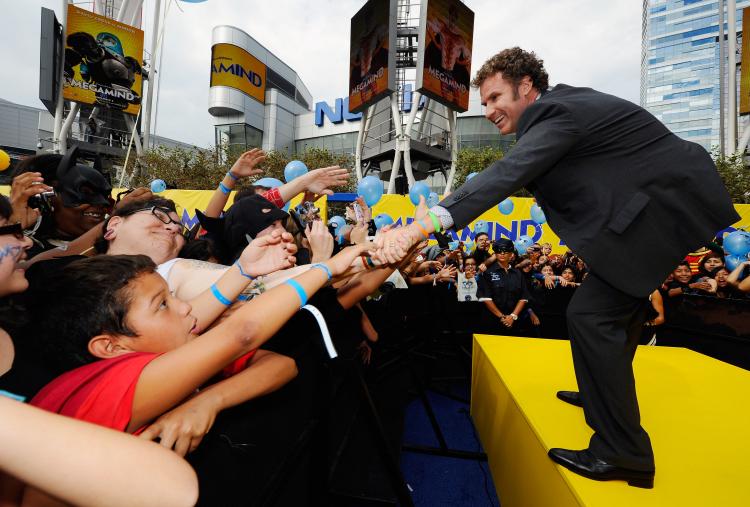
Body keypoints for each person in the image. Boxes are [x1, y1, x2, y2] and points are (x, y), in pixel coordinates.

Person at [374, 47, 740, 487]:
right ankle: (599, 395)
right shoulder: (561, 111)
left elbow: (507, 173)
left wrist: (422, 225)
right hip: (652, 212)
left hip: (656, 213)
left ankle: (624, 453)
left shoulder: (555, 113)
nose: (488, 110)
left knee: (589, 315)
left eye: (494, 98)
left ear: (525, 86)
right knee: (608, 313)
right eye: (484, 102)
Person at [476, 238, 531, 335]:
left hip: (513, 322)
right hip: (491, 323)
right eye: (498, 251)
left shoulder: (518, 273)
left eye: (505, 251)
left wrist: (512, 316)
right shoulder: (487, 272)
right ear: (495, 254)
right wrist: (502, 317)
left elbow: (523, 298)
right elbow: (486, 298)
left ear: (511, 254)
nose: (502, 253)